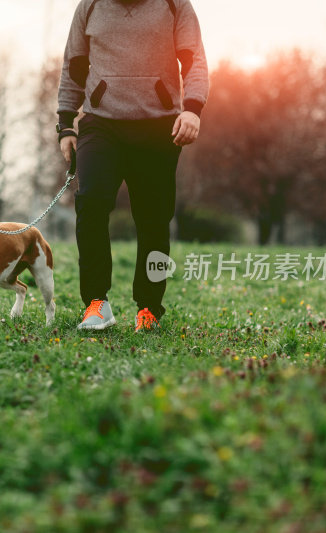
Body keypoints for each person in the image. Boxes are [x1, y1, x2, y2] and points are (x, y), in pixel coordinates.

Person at [56, 0, 209, 332]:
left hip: (158, 126)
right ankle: (97, 304)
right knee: (92, 201)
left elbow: (195, 60)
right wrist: (66, 123)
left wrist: (193, 108)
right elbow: (74, 65)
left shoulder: (175, 5)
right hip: (102, 123)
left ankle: (150, 309)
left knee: (155, 220)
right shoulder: (90, 6)